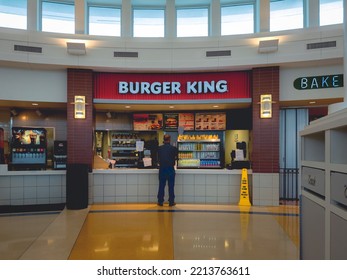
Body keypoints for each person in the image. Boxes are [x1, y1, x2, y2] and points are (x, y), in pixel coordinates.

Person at [157, 134, 178, 206]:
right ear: (169, 140)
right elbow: (176, 157)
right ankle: (171, 202)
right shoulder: (173, 148)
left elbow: (158, 158)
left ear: (163, 139)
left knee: (161, 186)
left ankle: (160, 201)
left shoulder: (159, 148)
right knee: (171, 186)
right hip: (170, 169)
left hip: (162, 169)